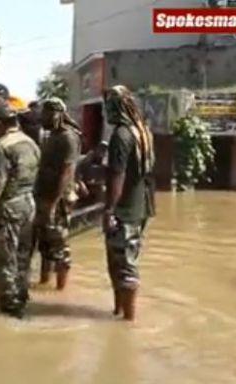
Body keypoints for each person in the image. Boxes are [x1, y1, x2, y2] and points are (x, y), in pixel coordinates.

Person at [102, 85, 156, 322]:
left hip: (125, 208)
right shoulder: (143, 131)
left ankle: (127, 320)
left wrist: (109, 209)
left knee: (124, 265)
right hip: (141, 205)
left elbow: (118, 174)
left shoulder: (121, 136)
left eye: (109, 106)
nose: (106, 111)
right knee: (123, 260)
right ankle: (119, 312)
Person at [0, 101, 40, 319]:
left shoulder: (2, 146)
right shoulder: (31, 143)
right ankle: (22, 296)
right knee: (23, 256)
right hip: (28, 204)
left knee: (2, 259)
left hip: (8, 207)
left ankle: (10, 306)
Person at [34, 97, 82, 291]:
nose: (42, 117)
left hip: (58, 198)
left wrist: (53, 202)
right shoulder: (50, 136)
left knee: (59, 244)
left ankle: (61, 290)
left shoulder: (68, 137)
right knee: (44, 244)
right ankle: (44, 282)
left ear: (58, 114)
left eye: (47, 113)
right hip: (43, 195)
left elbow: (67, 171)